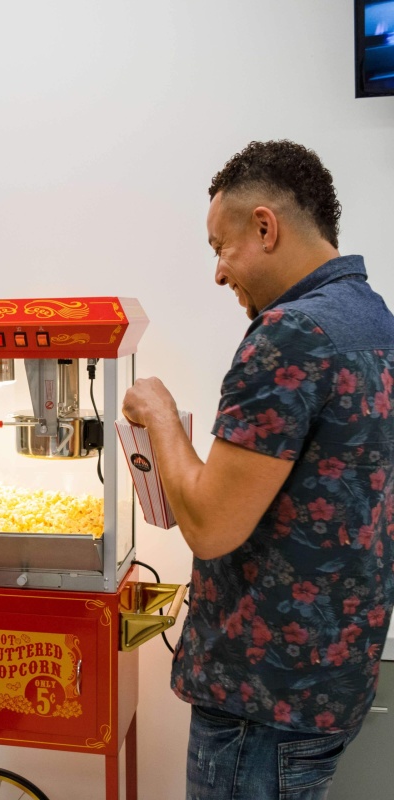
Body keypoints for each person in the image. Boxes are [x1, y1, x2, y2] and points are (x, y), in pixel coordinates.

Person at [121, 140, 394, 800]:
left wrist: (158, 415)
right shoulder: (371, 316)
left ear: (265, 227)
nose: (218, 273)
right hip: (332, 681)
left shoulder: (288, 335)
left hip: (260, 700)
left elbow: (211, 526)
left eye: (222, 247)